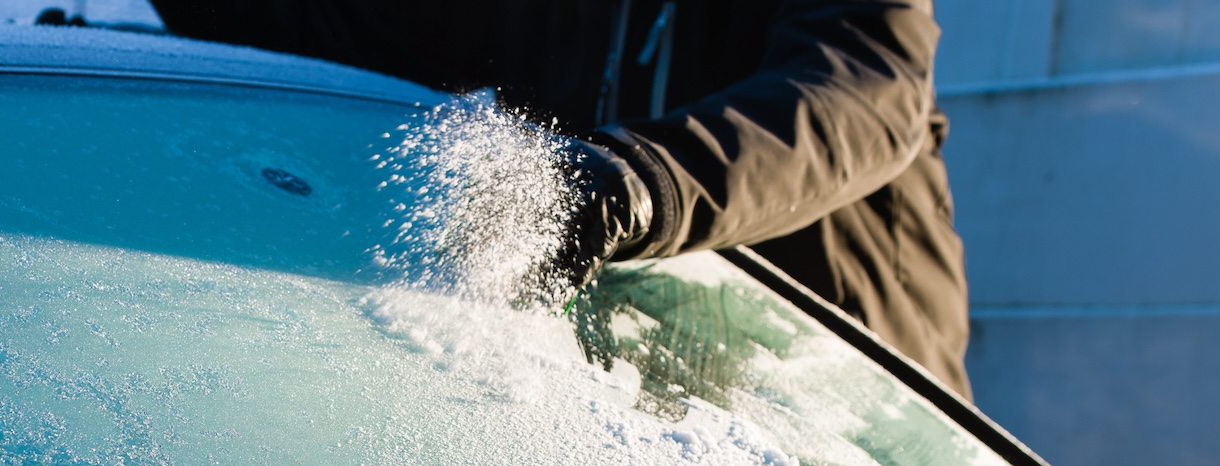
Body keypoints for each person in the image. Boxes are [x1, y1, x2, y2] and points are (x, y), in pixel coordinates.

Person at [150, 0, 972, 398]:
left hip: (858, 394)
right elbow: (350, 30)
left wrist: (639, 181)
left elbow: (867, 90)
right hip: (661, 404)